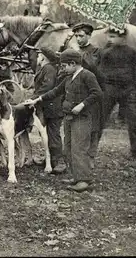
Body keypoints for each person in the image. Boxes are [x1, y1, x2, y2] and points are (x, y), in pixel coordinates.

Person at [24, 49, 103, 192]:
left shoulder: (87, 75)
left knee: (79, 148)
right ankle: (76, 176)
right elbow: (55, 91)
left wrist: (82, 105)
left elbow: (97, 93)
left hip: (82, 118)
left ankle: (84, 180)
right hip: (69, 117)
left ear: (73, 64)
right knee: (69, 148)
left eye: (64, 66)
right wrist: (38, 99)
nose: (62, 69)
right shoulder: (69, 77)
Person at [98, 27, 136, 159]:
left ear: (123, 38)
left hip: (128, 89)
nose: (110, 39)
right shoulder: (106, 52)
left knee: (133, 120)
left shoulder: (132, 52)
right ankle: (91, 146)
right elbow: (100, 69)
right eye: (109, 36)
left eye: (113, 37)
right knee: (100, 119)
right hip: (110, 88)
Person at [72, 22, 102, 168]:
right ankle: (78, 157)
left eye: (81, 36)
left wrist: (76, 56)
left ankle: (91, 156)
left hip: (91, 94)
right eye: (76, 36)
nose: (78, 38)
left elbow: (92, 66)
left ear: (89, 35)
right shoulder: (75, 49)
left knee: (93, 127)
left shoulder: (95, 50)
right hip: (76, 94)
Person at [32, 47, 65, 172]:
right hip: (46, 106)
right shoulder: (46, 69)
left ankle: (59, 162)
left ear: (43, 57)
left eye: (38, 55)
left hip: (52, 107)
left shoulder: (49, 68)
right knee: (45, 134)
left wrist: (32, 98)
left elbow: (47, 86)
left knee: (53, 134)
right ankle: (49, 158)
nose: (37, 58)